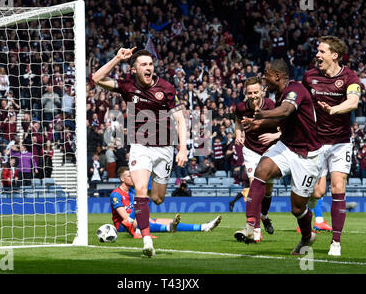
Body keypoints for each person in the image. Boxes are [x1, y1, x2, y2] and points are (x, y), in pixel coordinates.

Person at [92, 47, 188, 257]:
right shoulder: (127, 86)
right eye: (143, 64)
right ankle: (146, 241)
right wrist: (117, 58)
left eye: (150, 64)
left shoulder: (167, 88)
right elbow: (97, 78)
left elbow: (180, 119)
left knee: (158, 198)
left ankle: (148, 213)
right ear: (134, 69)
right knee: (141, 189)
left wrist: (182, 148)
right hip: (140, 146)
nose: (148, 68)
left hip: (164, 148)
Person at [239, 59, 323, 256]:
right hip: (287, 146)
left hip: (307, 155)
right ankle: (250, 225)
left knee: (297, 208)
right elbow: (280, 119)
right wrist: (258, 125)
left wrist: (262, 115)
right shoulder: (279, 94)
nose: (264, 78)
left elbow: (286, 110)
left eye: (266, 74)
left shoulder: (295, 89)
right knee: (262, 170)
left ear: (277, 75)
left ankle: (306, 236)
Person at [302, 36, 361, 256]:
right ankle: (305, 215)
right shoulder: (309, 77)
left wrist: (333, 110)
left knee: (338, 186)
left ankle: (335, 242)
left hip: (340, 142)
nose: (317, 55)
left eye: (322, 52)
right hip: (317, 141)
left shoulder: (349, 77)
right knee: (317, 191)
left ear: (334, 55)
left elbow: (353, 102)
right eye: (317, 51)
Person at [229, 76, 281, 242]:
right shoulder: (241, 107)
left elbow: (283, 126)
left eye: (256, 92)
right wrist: (238, 135)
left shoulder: (272, 106)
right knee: (254, 186)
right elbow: (237, 122)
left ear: (262, 91)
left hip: (270, 149)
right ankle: (255, 230)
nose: (253, 96)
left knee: (268, 189)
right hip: (251, 149)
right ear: (246, 93)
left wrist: (275, 135)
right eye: (250, 93)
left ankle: (264, 216)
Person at [110, 167, 221, 238]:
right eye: (129, 176)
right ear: (122, 179)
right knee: (149, 222)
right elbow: (125, 218)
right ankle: (167, 228)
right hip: (123, 226)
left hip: (137, 220)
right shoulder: (116, 194)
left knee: (169, 221)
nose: (133, 178)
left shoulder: (134, 191)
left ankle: (203, 227)